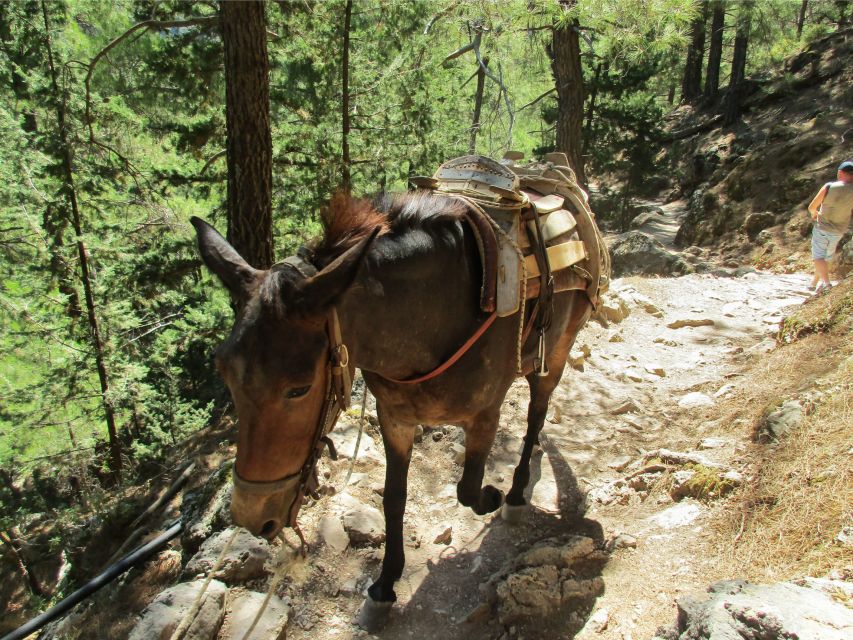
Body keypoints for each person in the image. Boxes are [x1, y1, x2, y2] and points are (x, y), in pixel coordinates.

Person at [807, 160, 853, 293]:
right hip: (839, 229)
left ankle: (826, 284)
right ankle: (815, 282)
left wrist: (815, 214)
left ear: (840, 173)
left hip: (823, 227)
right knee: (827, 257)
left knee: (818, 257)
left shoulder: (829, 187)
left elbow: (812, 207)